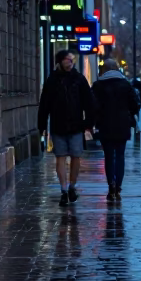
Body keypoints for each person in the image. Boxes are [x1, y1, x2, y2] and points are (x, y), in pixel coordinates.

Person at [38, 50, 95, 207]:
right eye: (67, 59)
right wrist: (42, 125)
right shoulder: (52, 80)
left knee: (76, 156)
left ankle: (72, 186)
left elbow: (89, 102)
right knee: (61, 157)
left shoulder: (79, 79)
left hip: (76, 125)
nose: (70, 62)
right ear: (60, 62)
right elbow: (44, 105)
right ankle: (64, 189)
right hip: (58, 125)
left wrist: (89, 123)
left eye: (71, 59)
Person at [92, 58, 139, 201]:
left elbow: (92, 105)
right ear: (117, 68)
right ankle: (118, 186)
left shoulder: (98, 85)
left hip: (105, 125)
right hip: (122, 125)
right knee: (120, 155)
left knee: (108, 156)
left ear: (104, 69)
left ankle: (110, 184)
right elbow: (135, 105)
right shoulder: (125, 84)